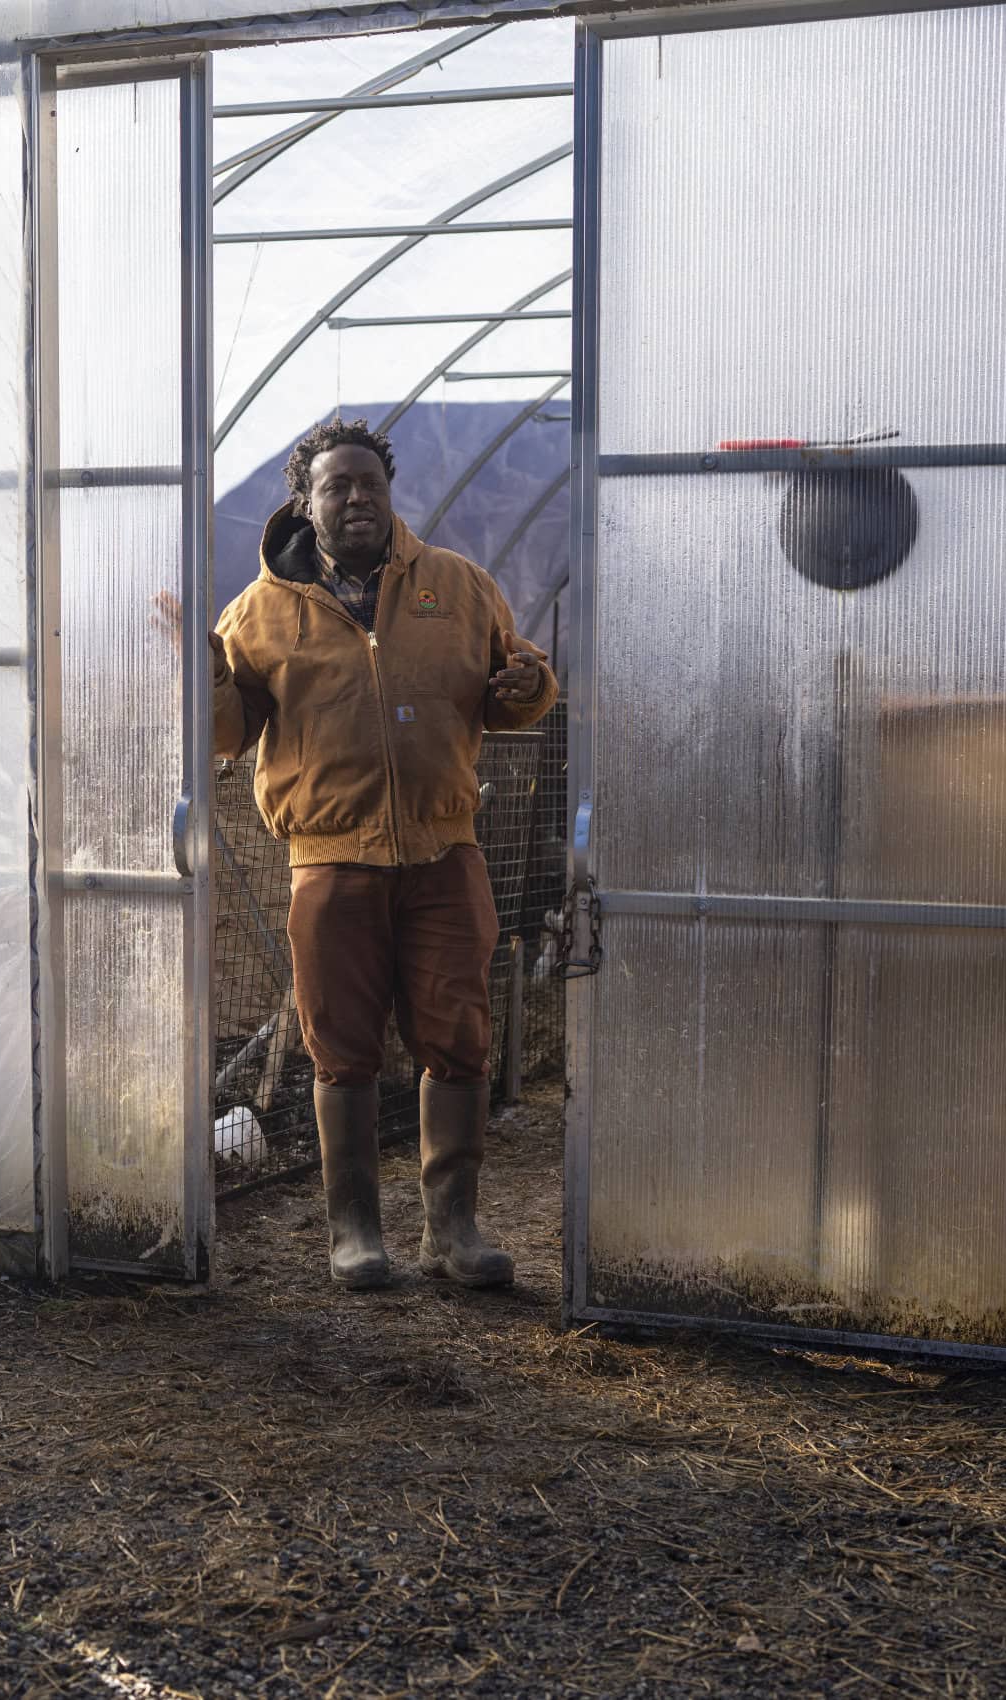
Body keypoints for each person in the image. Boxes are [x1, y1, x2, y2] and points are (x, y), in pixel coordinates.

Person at [204, 417, 557, 1289]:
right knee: (343, 1047)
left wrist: (530, 685)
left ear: (388, 493)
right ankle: (354, 1233)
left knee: (459, 1037)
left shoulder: (456, 587)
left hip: (444, 851)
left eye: (370, 483)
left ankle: (454, 1232)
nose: (358, 498)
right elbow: (224, 734)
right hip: (330, 862)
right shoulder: (258, 616)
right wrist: (199, 670)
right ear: (305, 502)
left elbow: (519, 690)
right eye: (338, 486)